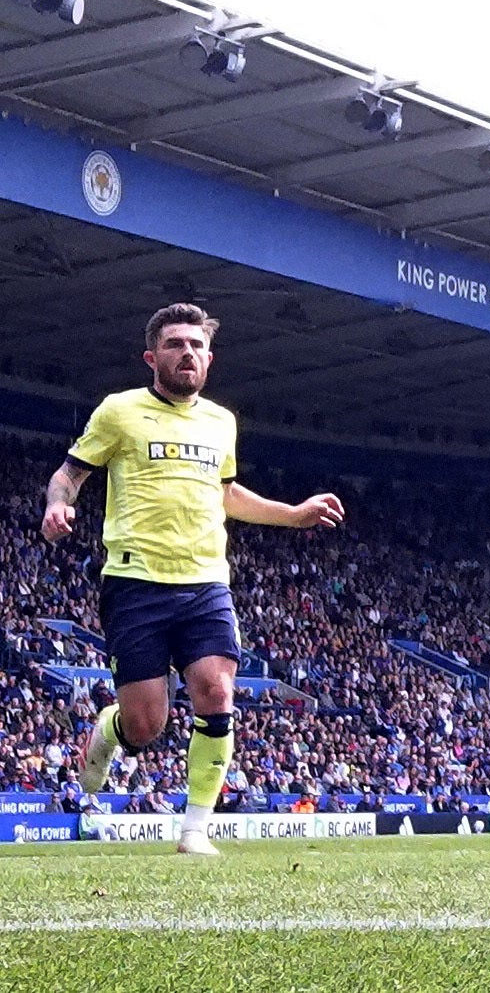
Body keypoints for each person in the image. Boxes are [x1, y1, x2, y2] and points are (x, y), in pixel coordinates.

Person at [38, 303, 346, 857]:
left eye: (197, 345)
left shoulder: (221, 421)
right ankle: (110, 731)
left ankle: (194, 829)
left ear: (209, 358)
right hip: (135, 583)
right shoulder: (120, 411)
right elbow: (69, 474)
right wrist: (59, 506)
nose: (188, 353)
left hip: (205, 581)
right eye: (176, 344)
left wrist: (293, 513)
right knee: (146, 725)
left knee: (215, 688)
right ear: (152, 356)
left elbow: (226, 494)